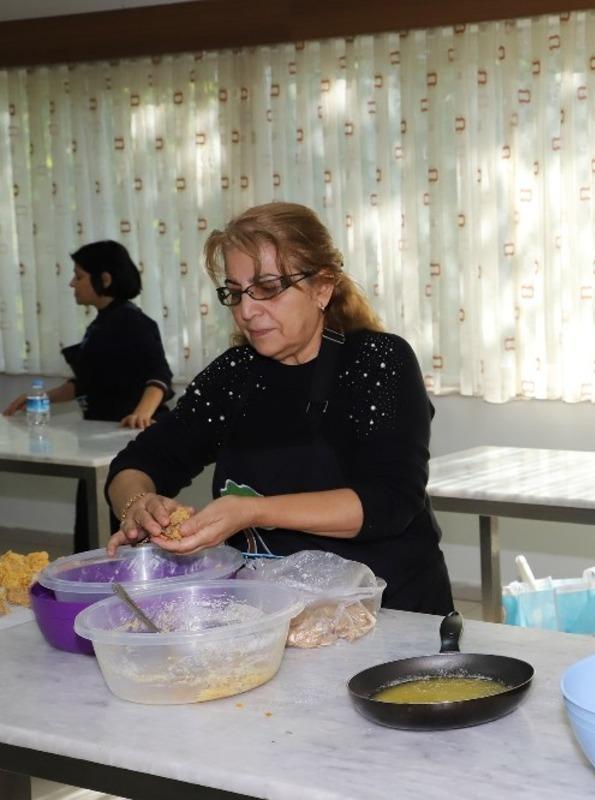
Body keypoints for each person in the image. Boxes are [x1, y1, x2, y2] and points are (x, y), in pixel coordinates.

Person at [104, 202, 454, 614]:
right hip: (272, 619)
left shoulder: (377, 361)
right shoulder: (234, 375)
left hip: (391, 614)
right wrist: (137, 505)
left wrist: (253, 511)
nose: (247, 311)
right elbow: (137, 462)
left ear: (322, 287)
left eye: (268, 287)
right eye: (235, 293)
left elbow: (389, 501)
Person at [3, 240, 173, 552]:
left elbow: (159, 375)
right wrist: (40, 399)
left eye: (79, 276)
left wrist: (143, 412)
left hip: (123, 443)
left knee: (130, 530)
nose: (72, 283)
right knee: (94, 525)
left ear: (104, 279)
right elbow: (86, 383)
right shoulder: (100, 324)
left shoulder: (134, 322)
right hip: (99, 437)